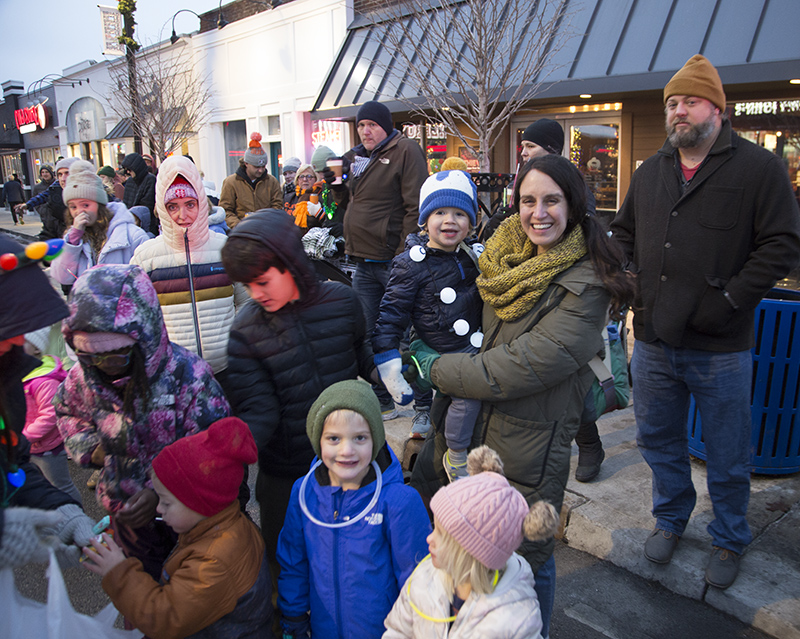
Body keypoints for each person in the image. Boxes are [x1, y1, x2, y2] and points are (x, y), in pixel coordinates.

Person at [408, 154, 634, 637]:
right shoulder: (500, 258)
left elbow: (515, 368)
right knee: (467, 550)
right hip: (472, 427)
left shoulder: (586, 282)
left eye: (552, 200)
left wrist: (435, 368)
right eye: (528, 200)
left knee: (525, 557)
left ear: (573, 205)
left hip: (530, 442)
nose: (539, 213)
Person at [610, 54, 800, 589]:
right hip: (653, 337)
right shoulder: (651, 171)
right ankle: (671, 519)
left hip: (721, 346)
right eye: (672, 103)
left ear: (718, 108)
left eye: (690, 101)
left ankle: (729, 536)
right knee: (657, 440)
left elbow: (781, 244)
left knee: (727, 451)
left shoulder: (757, 169)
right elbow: (623, 233)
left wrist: (731, 299)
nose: (678, 111)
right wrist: (626, 277)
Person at [221, 208, 377, 583]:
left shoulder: (341, 300)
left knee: (355, 564)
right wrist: (224, 454)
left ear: (290, 262)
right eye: (248, 285)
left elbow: (362, 354)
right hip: (287, 476)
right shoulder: (247, 330)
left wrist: (392, 371)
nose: (256, 294)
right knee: (288, 569)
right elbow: (258, 410)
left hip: (350, 461)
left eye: (262, 281)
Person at [54, 264, 231, 579]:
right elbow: (68, 413)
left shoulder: (188, 376)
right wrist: (92, 449)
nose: (103, 365)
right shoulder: (82, 378)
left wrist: (160, 493)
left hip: (189, 515)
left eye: (115, 355)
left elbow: (213, 448)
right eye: (89, 355)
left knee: (191, 587)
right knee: (140, 585)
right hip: (127, 515)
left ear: (144, 337)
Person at [82, 416, 275, 638]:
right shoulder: (224, 526)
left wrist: (119, 572)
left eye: (166, 503)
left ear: (200, 504)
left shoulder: (213, 562)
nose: (159, 509)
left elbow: (165, 619)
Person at [277, 379, 430, 639]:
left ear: (376, 440)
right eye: (333, 438)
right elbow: (294, 561)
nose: (346, 450)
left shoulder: (398, 501)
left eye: (360, 438)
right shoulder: (304, 493)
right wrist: (294, 618)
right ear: (318, 441)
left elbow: (417, 579)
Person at [384, 446, 559, 639]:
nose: (429, 538)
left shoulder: (516, 622)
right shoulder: (424, 579)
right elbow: (398, 631)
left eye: (440, 534)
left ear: (470, 553)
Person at [372, 170, 482, 478]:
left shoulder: (474, 255)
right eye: (440, 213)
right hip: (439, 348)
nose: (450, 221)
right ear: (424, 220)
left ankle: (448, 433)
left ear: (471, 222)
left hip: (475, 343)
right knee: (467, 397)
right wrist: (387, 361)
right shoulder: (411, 264)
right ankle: (456, 456)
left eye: (460, 214)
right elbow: (391, 314)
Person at [0, 235, 96, 570]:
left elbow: (12, 465)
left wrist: (62, 514)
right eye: (9, 337)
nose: (20, 349)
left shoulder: (7, 379)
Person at [338, 100, 430, 423]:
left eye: (372, 125)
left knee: (407, 335)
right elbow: (348, 203)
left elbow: (415, 206)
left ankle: (422, 407)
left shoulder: (405, 151)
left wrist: (404, 254)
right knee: (369, 334)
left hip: (393, 261)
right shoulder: (358, 158)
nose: (365, 131)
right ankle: (384, 400)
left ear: (386, 127)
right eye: (361, 125)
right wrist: (335, 183)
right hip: (364, 260)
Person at [131, 154, 246, 383]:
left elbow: (246, 302)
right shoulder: (145, 258)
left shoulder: (226, 249)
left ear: (201, 203)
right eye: (172, 206)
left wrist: (238, 345)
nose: (182, 216)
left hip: (227, 370)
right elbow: (137, 317)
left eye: (190, 204)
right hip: (173, 375)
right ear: (162, 209)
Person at [49, 160, 149, 290]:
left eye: (86, 205)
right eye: (73, 207)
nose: (79, 211)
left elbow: (147, 283)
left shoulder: (132, 235)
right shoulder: (75, 238)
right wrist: (72, 242)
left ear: (99, 204)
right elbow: (61, 276)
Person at [22, 327, 82, 504]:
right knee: (39, 485)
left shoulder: (44, 381)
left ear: (36, 349)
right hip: (30, 445)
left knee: (60, 485)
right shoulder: (21, 376)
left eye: (20, 344)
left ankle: (76, 512)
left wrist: (25, 436)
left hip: (47, 448)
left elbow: (50, 415)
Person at [220, 132, 283, 230]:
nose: (260, 170)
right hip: (241, 231)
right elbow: (225, 210)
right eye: (256, 167)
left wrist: (268, 223)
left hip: (266, 230)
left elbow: (277, 207)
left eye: (263, 166)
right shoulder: (231, 182)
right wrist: (239, 226)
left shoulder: (272, 181)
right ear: (246, 164)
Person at [18, 157, 79, 241]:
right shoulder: (55, 188)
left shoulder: (88, 192)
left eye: (67, 173)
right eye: (60, 174)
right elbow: (43, 196)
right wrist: (28, 205)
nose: (63, 179)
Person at [121, 152, 158, 236]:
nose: (128, 172)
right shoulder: (130, 182)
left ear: (136, 168)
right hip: (131, 223)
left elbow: (147, 206)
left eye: (129, 169)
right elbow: (126, 203)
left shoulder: (150, 180)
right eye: (126, 170)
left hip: (147, 224)